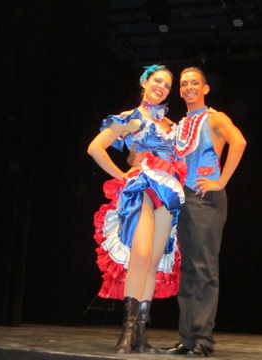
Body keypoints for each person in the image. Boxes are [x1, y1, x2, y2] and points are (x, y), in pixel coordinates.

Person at [87, 65, 186, 354]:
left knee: (154, 261)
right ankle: (126, 334)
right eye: (157, 81)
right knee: (140, 255)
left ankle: (140, 335)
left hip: (168, 192)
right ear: (144, 83)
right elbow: (95, 148)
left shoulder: (171, 126)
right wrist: (122, 175)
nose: (162, 87)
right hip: (141, 187)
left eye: (167, 85)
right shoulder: (132, 117)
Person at [161, 67, 247, 357]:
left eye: (194, 83)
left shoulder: (215, 117)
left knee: (204, 269)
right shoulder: (182, 123)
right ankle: (187, 337)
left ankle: (203, 339)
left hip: (205, 197)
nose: (188, 87)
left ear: (205, 88)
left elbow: (239, 142)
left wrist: (220, 181)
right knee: (187, 270)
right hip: (184, 198)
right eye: (184, 84)